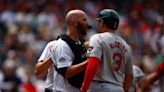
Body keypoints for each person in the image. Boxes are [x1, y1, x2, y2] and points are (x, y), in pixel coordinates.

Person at [35, 9, 91, 92]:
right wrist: (53, 57)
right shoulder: (56, 45)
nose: (87, 23)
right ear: (75, 22)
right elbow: (38, 72)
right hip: (56, 89)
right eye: (84, 20)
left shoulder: (83, 45)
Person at [80, 9, 133, 92]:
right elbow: (129, 76)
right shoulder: (127, 46)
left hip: (100, 87)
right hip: (118, 88)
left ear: (102, 22)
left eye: (99, 22)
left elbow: (93, 64)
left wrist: (84, 88)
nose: (98, 24)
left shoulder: (98, 38)